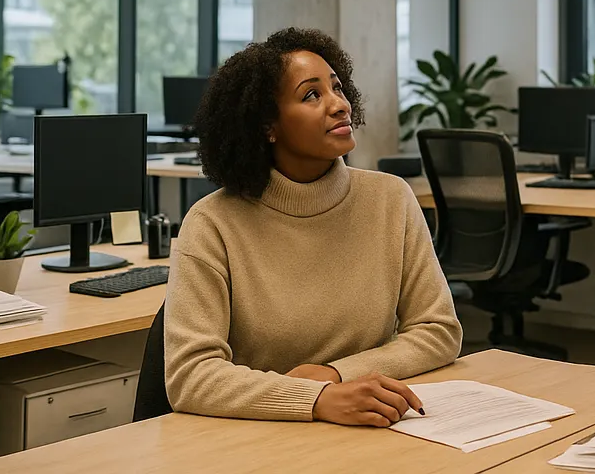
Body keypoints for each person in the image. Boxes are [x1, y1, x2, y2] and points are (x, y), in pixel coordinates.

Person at [164, 27, 462, 425]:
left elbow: (438, 329)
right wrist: (315, 399)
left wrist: (336, 376)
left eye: (337, 88)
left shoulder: (391, 199)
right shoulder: (212, 224)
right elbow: (190, 376)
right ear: (267, 126)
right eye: (311, 95)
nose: (339, 105)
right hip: (255, 433)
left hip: (370, 425)